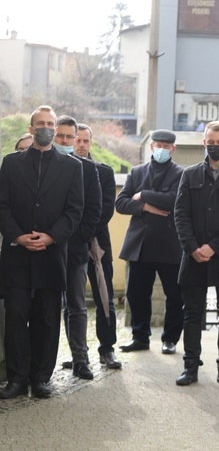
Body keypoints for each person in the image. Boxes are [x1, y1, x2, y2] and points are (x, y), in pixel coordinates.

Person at [0, 105, 84, 399]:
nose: (47, 127)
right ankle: (17, 379)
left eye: (51, 123)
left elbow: (75, 211)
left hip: (51, 255)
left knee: (47, 319)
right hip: (16, 255)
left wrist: (50, 237)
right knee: (16, 317)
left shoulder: (73, 167)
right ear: (31, 128)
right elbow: (3, 206)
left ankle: (41, 379)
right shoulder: (10, 163)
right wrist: (18, 236)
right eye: (42, 123)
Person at [173, 121, 219, 387]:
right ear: (204, 142)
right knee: (192, 313)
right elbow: (180, 214)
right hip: (193, 258)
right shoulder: (189, 175)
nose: (214, 147)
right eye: (210, 142)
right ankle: (190, 366)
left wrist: (214, 245)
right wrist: (192, 247)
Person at [116, 130, 185, 355]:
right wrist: (146, 207)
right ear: (151, 147)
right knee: (136, 294)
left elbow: (173, 201)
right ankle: (140, 336)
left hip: (170, 245)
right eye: (158, 145)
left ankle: (170, 339)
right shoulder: (136, 172)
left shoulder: (181, 174)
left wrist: (143, 194)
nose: (162, 149)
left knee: (175, 296)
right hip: (140, 244)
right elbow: (121, 203)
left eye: (166, 146)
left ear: (173, 149)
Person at [54, 116, 102, 380]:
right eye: (60, 136)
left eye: (69, 137)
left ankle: (81, 360)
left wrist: (76, 239)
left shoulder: (86, 168)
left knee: (77, 305)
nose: (64, 141)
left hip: (75, 249)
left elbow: (93, 210)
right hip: (47, 248)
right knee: (50, 307)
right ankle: (44, 363)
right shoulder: (46, 164)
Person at [75, 123, 122, 369]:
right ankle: (76, 352)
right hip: (69, 243)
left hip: (97, 245)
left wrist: (81, 231)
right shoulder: (63, 169)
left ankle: (107, 349)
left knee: (105, 298)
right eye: (77, 140)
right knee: (71, 300)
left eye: (86, 140)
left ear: (91, 143)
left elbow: (104, 210)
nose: (81, 144)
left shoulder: (104, 172)